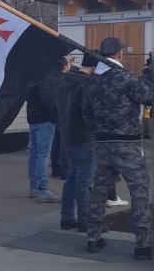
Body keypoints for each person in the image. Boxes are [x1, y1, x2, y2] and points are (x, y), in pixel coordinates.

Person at [82, 37, 153, 260]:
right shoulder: (127, 79)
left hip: (103, 144)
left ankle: (93, 237)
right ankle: (142, 243)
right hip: (128, 144)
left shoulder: (92, 82)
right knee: (139, 191)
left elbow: (85, 114)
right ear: (120, 54)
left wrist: (101, 130)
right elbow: (152, 98)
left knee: (99, 191)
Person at [57, 51, 101, 232]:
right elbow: (91, 113)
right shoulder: (87, 85)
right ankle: (85, 220)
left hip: (68, 135)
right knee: (85, 181)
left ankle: (67, 218)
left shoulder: (65, 80)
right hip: (85, 136)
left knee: (72, 178)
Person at [26, 57, 69, 203]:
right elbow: (47, 100)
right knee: (42, 155)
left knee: (34, 153)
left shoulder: (33, 75)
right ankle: (42, 189)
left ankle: (34, 187)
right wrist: (55, 118)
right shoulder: (46, 77)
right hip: (44, 119)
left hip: (33, 118)